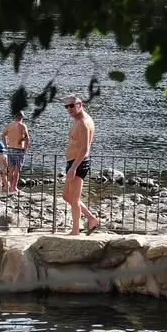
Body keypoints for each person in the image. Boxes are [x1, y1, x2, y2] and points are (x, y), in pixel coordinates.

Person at [63, 95, 100, 235]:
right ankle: (92, 219)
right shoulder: (77, 120)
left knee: (75, 199)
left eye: (72, 106)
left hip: (78, 164)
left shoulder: (83, 123)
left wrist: (73, 167)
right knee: (66, 196)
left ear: (80, 104)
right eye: (67, 106)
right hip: (72, 162)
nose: (69, 109)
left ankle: (75, 230)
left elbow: (85, 148)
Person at [1, 111, 30, 193]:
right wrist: (25, 148)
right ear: (22, 117)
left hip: (10, 149)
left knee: (11, 169)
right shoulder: (22, 126)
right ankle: (14, 187)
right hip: (19, 149)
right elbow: (27, 138)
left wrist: (6, 145)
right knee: (17, 169)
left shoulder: (10, 125)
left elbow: (3, 135)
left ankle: (11, 187)